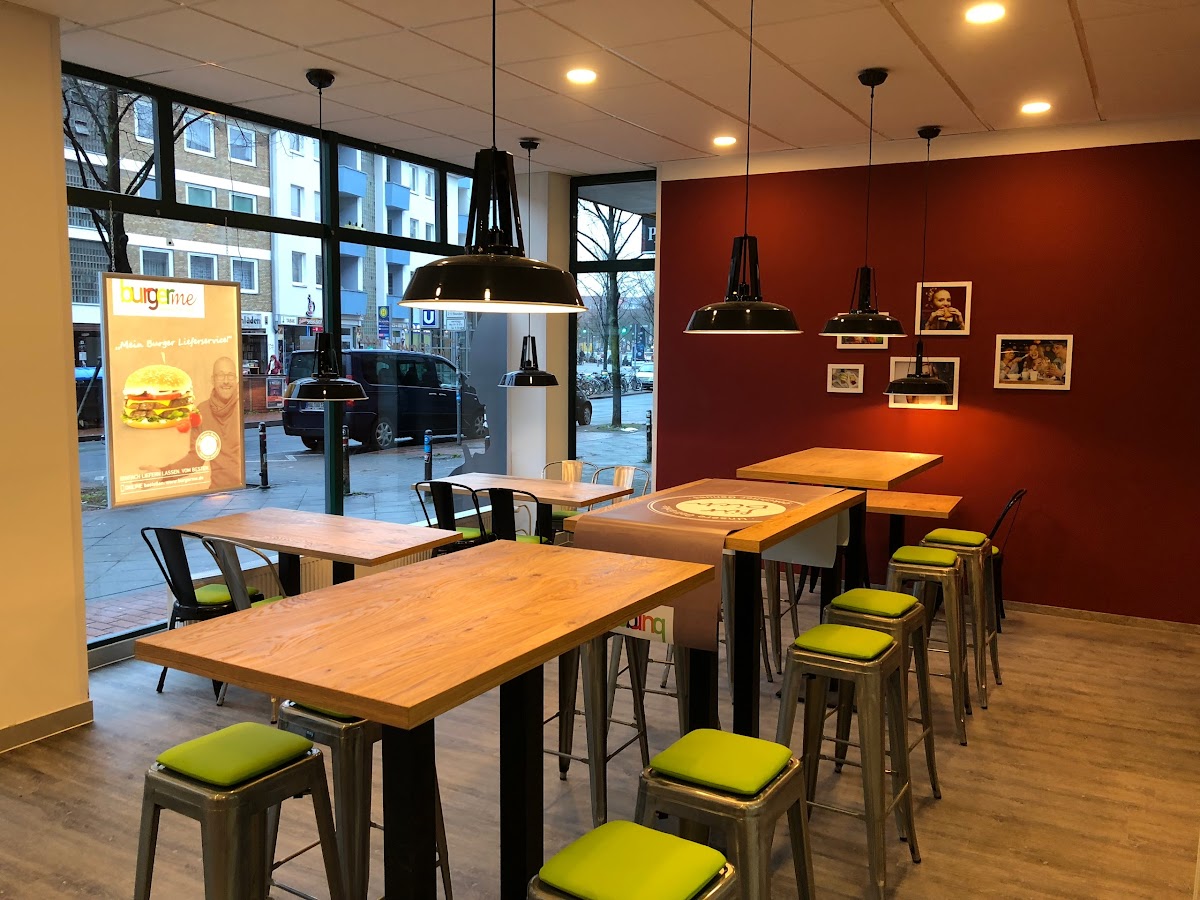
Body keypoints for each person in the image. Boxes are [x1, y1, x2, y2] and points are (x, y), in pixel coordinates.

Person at [160, 357, 244, 492]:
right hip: (218, 491)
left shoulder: (242, 408)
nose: (226, 381)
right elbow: (195, 458)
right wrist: (162, 473)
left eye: (230, 375)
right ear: (213, 380)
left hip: (245, 490)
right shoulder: (202, 411)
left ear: (236, 379)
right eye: (221, 375)